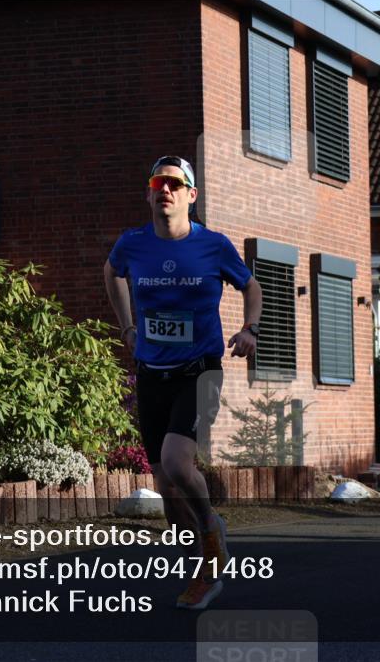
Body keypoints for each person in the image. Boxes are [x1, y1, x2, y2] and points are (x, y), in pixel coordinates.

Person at [103, 155, 263, 609]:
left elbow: (252, 287)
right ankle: (204, 568)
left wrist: (249, 328)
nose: (165, 191)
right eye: (158, 183)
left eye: (175, 184)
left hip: (200, 368)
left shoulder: (212, 245)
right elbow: (111, 273)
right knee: (169, 499)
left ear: (191, 195)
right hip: (152, 372)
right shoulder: (132, 245)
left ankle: (211, 529)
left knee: (176, 462)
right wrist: (127, 327)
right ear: (149, 193)